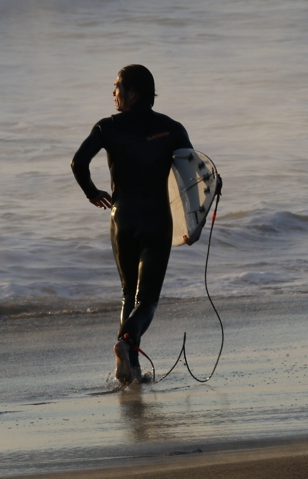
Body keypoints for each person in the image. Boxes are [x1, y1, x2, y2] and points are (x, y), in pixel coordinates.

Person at [71, 64, 192, 385]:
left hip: (122, 217)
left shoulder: (107, 127)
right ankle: (126, 344)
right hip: (156, 219)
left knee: (128, 293)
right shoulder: (172, 129)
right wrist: (192, 224)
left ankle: (131, 369)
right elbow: (193, 178)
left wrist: (92, 193)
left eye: (117, 87)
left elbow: (78, 162)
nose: (113, 93)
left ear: (133, 92)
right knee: (148, 299)